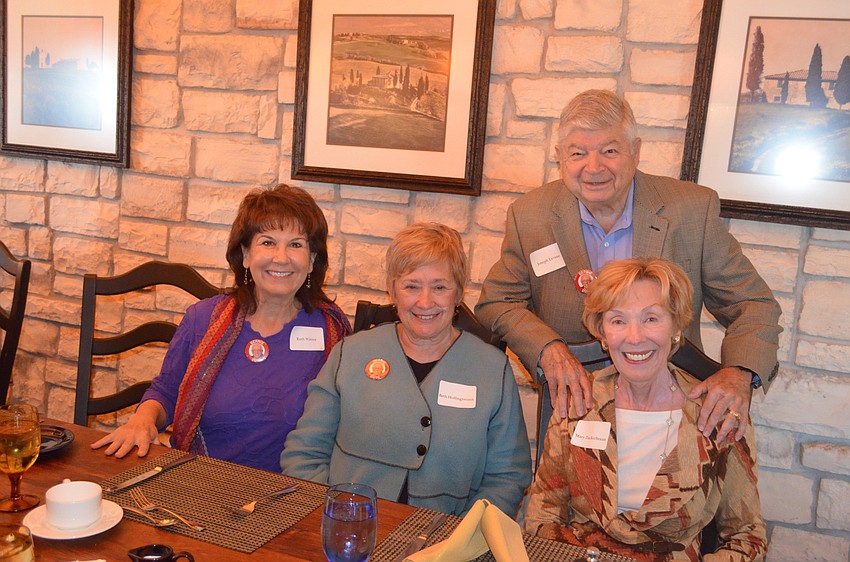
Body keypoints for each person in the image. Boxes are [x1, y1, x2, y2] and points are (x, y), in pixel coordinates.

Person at [475, 89, 781, 444]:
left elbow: (754, 305)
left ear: (635, 151)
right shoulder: (530, 215)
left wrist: (739, 372)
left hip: (674, 407)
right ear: (559, 157)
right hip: (575, 408)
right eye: (578, 153)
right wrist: (548, 348)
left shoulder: (691, 210)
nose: (594, 167)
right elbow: (497, 303)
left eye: (609, 150)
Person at [91, 184, 351, 472]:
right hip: (201, 479)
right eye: (267, 242)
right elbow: (167, 391)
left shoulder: (331, 331)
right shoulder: (203, 318)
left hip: (293, 491)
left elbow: (347, 421)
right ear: (246, 254)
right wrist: (142, 419)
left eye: (296, 244)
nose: (281, 257)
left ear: (312, 259)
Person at [522, 257, 767, 561]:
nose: (634, 338)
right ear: (602, 332)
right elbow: (543, 515)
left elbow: (747, 537)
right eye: (618, 320)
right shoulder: (579, 402)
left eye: (651, 318)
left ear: (677, 326)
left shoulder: (718, 414)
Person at [281, 223, 531, 516]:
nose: (425, 302)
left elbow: (507, 477)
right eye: (411, 286)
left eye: (440, 287)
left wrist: (461, 537)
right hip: (348, 527)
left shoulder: (492, 369)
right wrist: (336, 515)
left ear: (458, 293)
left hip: (445, 539)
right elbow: (304, 454)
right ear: (393, 291)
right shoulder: (351, 353)